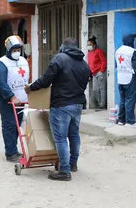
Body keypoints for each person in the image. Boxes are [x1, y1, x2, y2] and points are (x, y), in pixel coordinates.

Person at [26, 37, 91, 181]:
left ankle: (65, 171)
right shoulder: (84, 64)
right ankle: (73, 164)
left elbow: (46, 80)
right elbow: (86, 81)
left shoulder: (60, 59)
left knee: (60, 138)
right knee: (74, 135)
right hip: (78, 104)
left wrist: (31, 88)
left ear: (64, 47)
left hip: (62, 105)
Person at [0, 36, 29, 162]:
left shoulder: (23, 61)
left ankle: (14, 149)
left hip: (22, 99)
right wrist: (11, 96)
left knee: (17, 125)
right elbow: (2, 83)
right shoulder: (1, 64)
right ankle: (10, 153)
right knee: (9, 125)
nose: (17, 52)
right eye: (14, 49)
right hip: (7, 101)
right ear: (8, 49)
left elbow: (26, 80)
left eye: (18, 49)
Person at [115, 34, 136, 127]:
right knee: (130, 99)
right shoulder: (133, 51)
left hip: (120, 77)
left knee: (122, 99)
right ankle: (130, 121)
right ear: (131, 41)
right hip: (130, 77)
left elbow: (116, 65)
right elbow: (135, 66)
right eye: (133, 40)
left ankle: (121, 120)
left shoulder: (118, 51)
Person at [87, 36, 107, 110]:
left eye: (90, 45)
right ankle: (100, 104)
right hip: (93, 73)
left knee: (102, 89)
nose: (88, 46)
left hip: (100, 72)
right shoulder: (89, 53)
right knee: (95, 90)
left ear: (94, 45)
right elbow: (89, 64)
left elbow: (104, 62)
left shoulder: (99, 51)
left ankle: (102, 105)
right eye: (88, 45)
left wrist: (101, 71)